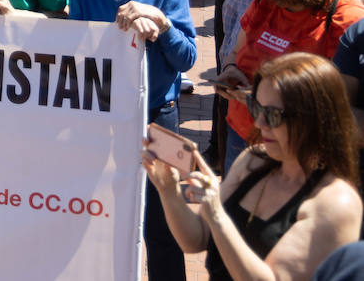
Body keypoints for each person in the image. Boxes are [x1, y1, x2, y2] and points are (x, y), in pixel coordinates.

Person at [69, 0, 197, 281]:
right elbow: (77, 45)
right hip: (103, 112)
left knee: (164, 219)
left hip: (160, 114)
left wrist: (161, 25)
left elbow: (188, 58)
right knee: (99, 211)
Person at [150, 52, 362, 281]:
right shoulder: (254, 160)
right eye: (256, 107)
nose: (259, 123)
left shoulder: (335, 202)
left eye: (272, 115)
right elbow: (197, 238)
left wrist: (217, 215)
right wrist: (168, 190)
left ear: (314, 119)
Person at [218, 0, 364, 171]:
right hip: (243, 132)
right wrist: (231, 69)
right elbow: (235, 51)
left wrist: (266, 101)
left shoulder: (344, 16)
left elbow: (336, 106)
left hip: (297, 150)